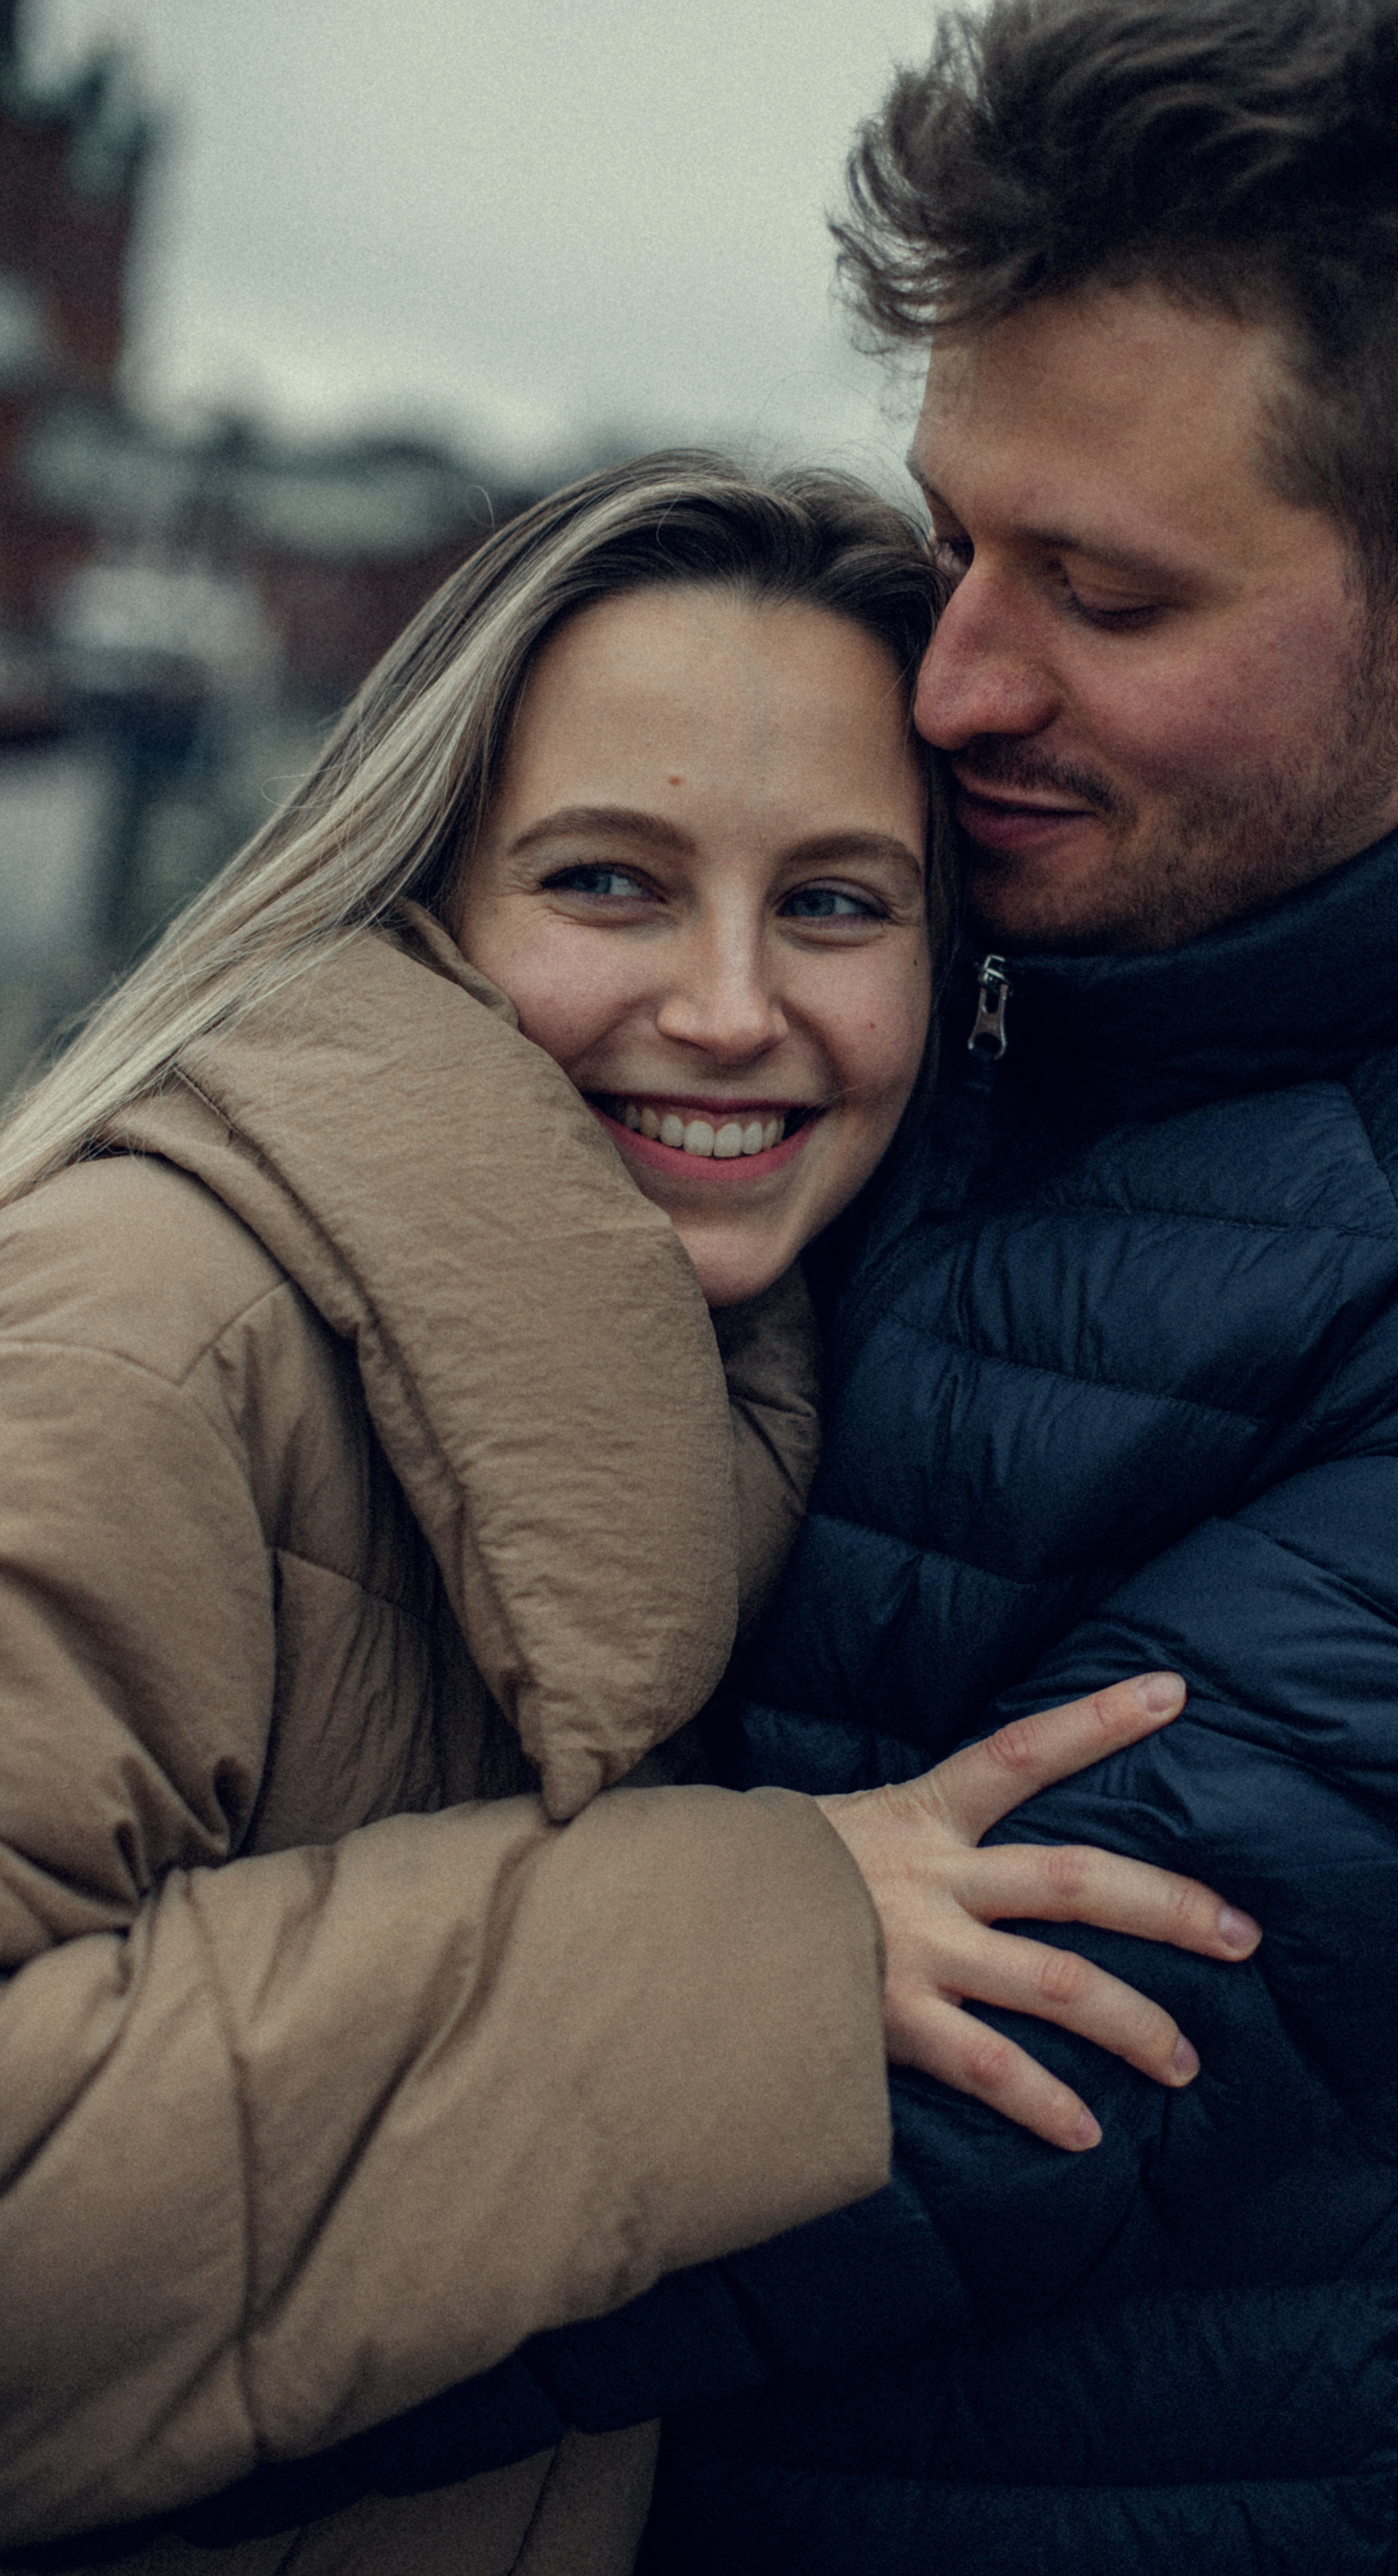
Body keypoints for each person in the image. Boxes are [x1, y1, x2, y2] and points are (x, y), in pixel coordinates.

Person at [367, 8, 1398, 2573]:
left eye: (1103, 593)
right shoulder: (862, 992)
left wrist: (82, 2288)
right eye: (952, 536)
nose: (956, 679)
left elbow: (936, 2116)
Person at [0, 457, 1265, 2576]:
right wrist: (771, 1946)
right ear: (421, 897)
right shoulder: (145, 1334)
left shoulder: (773, 1373)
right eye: (607, 883)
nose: (730, 1008)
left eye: (836, 905)